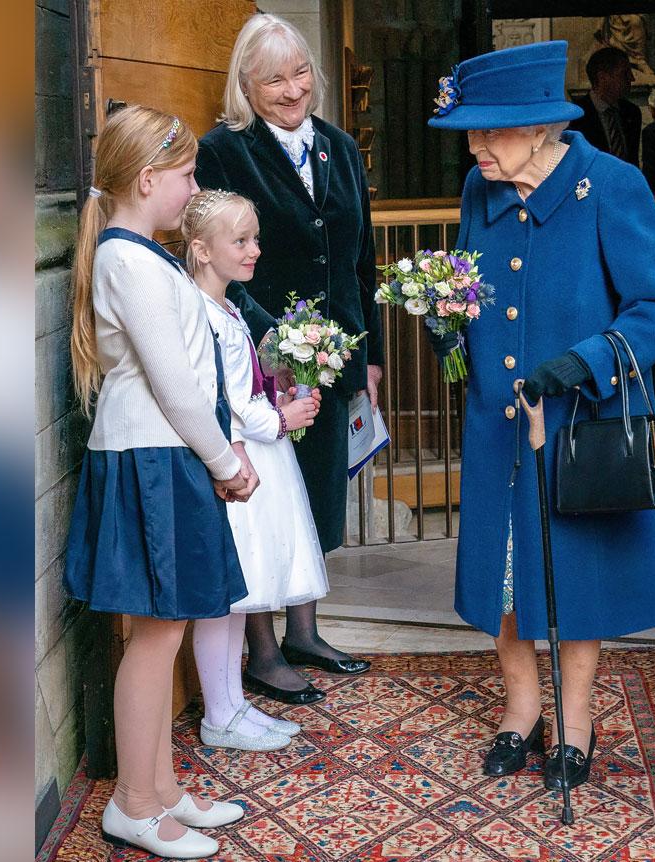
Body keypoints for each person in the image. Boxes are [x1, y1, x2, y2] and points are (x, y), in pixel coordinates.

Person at [427, 41, 655, 792]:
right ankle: (521, 710)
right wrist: (449, 325)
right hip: (496, 422)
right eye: (469, 133)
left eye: (490, 132)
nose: (475, 148)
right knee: (504, 575)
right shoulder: (482, 190)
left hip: (576, 422)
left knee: (575, 574)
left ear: (542, 128)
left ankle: (576, 720)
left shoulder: (612, 186)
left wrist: (586, 362)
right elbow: (471, 283)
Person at [63, 106, 256, 860]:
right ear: (148, 179)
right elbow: (176, 388)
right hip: (153, 455)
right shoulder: (127, 261)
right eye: (187, 177)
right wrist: (226, 463)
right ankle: (133, 803)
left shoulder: (145, 255)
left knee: (166, 627)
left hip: (166, 453)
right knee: (154, 637)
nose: (194, 188)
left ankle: (163, 787)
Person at [195, 12, 384, 703]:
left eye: (300, 72)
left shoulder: (340, 147)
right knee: (268, 496)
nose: (292, 88)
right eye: (273, 77)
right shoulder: (223, 150)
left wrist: (367, 352)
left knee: (317, 490)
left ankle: (306, 629)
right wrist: (276, 340)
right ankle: (264, 648)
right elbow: (212, 260)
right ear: (245, 83)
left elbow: (361, 260)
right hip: (262, 355)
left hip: (333, 358)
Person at [183, 189, 332, 750]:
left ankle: (233, 706)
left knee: (236, 598)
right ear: (200, 250)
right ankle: (219, 713)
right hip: (238, 458)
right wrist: (279, 417)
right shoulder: (200, 311)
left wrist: (284, 391)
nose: (254, 251)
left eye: (255, 239)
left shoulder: (228, 307)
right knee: (224, 598)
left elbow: (245, 381)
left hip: (258, 449)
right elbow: (217, 396)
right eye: (240, 241)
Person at [568, 46, 641, 166]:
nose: (632, 79)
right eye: (624, 73)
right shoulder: (576, 116)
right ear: (602, 77)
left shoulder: (632, 112)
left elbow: (633, 160)